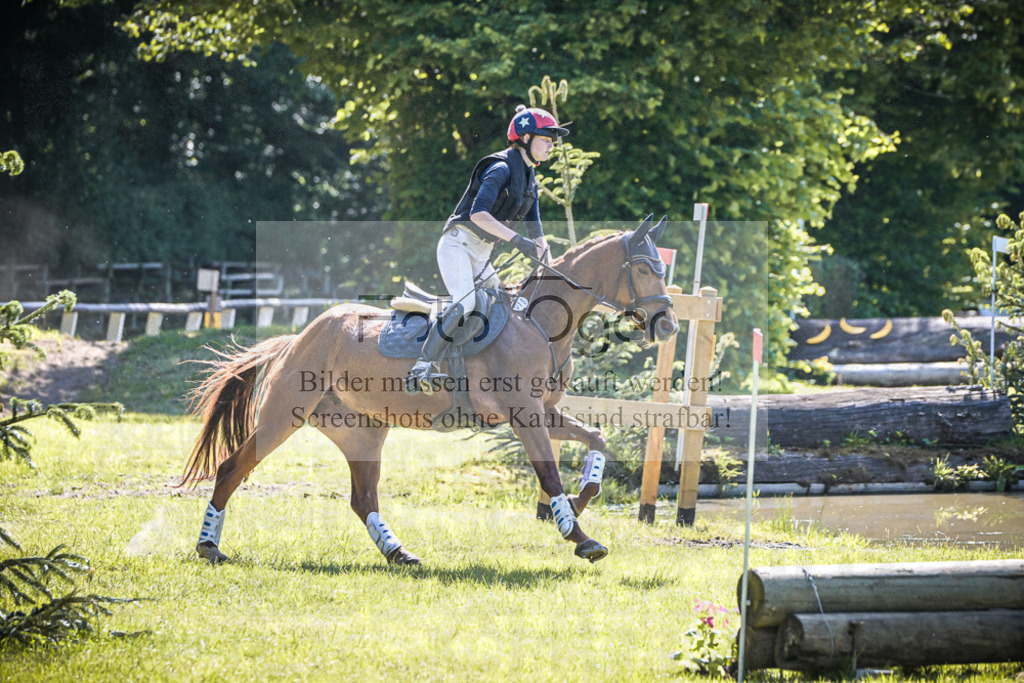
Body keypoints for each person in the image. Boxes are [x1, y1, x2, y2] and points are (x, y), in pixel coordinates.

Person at [405, 104, 569, 394]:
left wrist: (553, 270)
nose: (551, 145)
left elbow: (537, 233)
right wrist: (515, 240)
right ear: (526, 138)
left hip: (481, 255)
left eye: (552, 140)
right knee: (465, 304)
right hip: (458, 244)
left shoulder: (531, 182)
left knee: (508, 304)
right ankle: (422, 366)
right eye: (546, 138)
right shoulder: (501, 167)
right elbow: (479, 214)